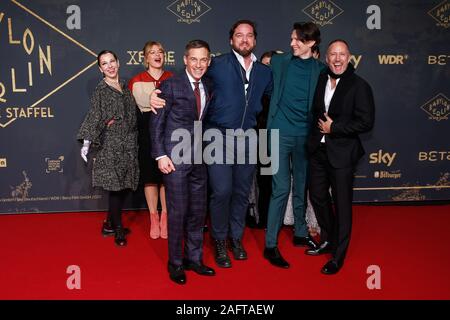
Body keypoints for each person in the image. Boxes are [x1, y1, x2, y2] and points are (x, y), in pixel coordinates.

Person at [150, 20, 273, 269]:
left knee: (240, 194)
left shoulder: (265, 72)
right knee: (222, 192)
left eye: (249, 35)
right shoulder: (217, 64)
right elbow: (177, 87)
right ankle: (217, 241)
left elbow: (275, 98)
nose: (244, 39)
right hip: (216, 138)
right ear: (231, 40)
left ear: (255, 40)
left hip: (248, 138)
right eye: (239, 35)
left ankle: (234, 239)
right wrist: (152, 95)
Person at [305, 39, 375, 275]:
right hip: (318, 150)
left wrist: (334, 128)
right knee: (317, 196)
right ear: (326, 58)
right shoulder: (321, 79)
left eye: (342, 54)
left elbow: (366, 122)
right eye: (333, 54)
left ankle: (338, 255)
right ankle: (328, 237)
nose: (337, 59)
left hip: (342, 153)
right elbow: (316, 111)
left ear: (349, 57)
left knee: (343, 205)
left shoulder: (359, 85)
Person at [150, 40, 215, 284]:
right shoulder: (169, 85)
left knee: (198, 211)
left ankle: (194, 259)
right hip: (174, 158)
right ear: (185, 60)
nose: (198, 64)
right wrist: (160, 155)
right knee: (177, 213)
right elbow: (156, 122)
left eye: (203, 60)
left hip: (199, 157)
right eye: (194, 59)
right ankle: (175, 263)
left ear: (208, 61)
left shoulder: (209, 84)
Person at [263, 22, 326, 269]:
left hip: (305, 136)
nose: (292, 43)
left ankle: (300, 232)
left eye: (297, 40)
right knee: (280, 188)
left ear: (311, 43)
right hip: (278, 133)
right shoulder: (279, 62)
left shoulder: (320, 70)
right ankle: (270, 245)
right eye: (291, 39)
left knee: (301, 185)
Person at [78, 50, 139, 247]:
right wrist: (87, 142)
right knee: (115, 188)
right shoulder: (101, 90)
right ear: (100, 69)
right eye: (105, 64)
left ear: (118, 63)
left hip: (128, 144)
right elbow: (95, 114)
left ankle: (109, 224)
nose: (110, 66)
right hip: (112, 145)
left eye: (112, 61)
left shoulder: (125, 87)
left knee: (122, 187)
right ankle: (118, 229)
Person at [129, 41, 173, 240]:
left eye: (160, 52)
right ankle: (153, 217)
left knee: (165, 176)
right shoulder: (136, 80)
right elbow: (130, 111)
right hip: (146, 131)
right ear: (145, 58)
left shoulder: (173, 79)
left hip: (168, 131)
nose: (157, 55)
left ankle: (165, 216)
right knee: (149, 176)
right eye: (152, 52)